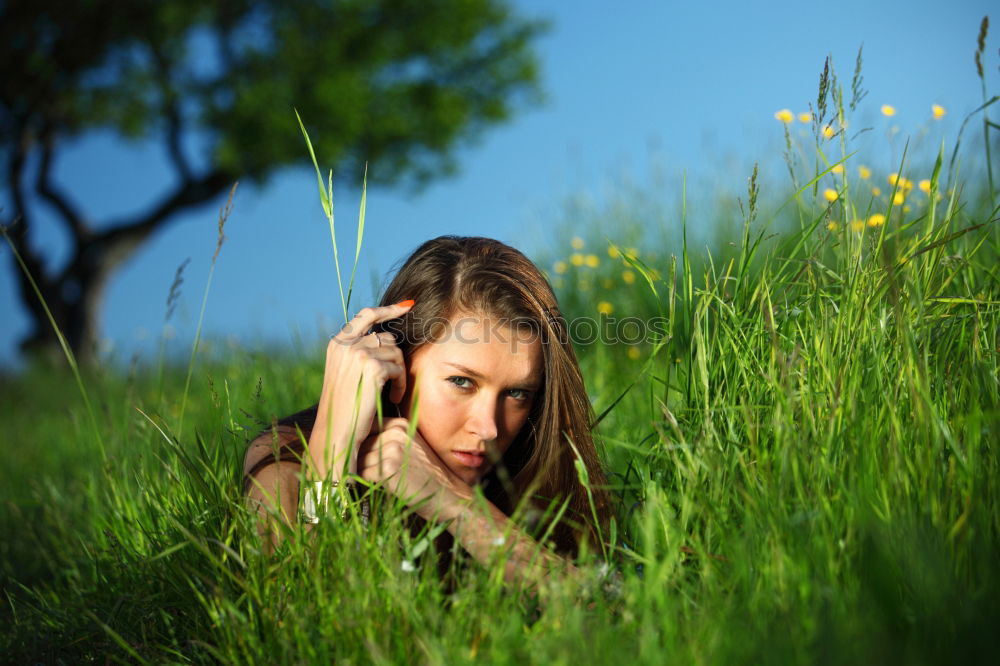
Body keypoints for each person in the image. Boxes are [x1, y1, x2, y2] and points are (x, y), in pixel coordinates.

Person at [243, 236, 612, 584]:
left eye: (517, 393)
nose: (489, 429)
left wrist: (450, 499)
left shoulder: (538, 471)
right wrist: (331, 452)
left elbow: (610, 611)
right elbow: (302, 618)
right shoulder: (285, 462)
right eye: (462, 382)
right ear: (396, 362)